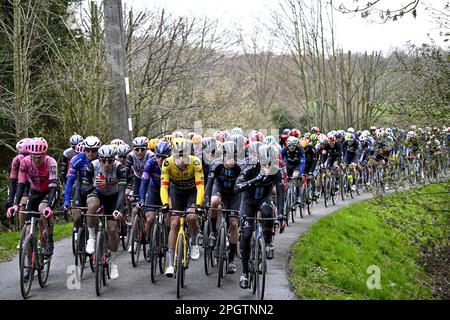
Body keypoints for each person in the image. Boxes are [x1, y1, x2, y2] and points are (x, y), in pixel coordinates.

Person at [234, 144, 286, 289]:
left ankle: (268, 242)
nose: (267, 166)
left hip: (264, 199)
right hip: (248, 201)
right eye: (264, 163)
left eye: (270, 162)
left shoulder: (276, 169)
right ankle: (244, 272)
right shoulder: (249, 167)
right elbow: (237, 188)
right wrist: (257, 179)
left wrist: (281, 214)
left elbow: (281, 193)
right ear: (258, 159)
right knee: (246, 234)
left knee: (268, 213)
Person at [81, 145, 127, 280]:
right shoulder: (92, 166)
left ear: (114, 160)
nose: (107, 164)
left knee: (112, 230)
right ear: (99, 159)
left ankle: (113, 262)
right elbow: (84, 188)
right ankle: (92, 237)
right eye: (103, 161)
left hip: (113, 197)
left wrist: (118, 209)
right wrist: (95, 185)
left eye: (110, 161)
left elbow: (122, 191)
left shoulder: (120, 168)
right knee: (92, 205)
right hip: (97, 193)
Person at [160, 138, 205, 277]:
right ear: (173, 155)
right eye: (179, 155)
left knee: (192, 217)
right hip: (176, 192)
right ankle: (170, 264)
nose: (183, 158)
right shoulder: (167, 163)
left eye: (185, 154)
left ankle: (194, 242)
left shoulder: (196, 162)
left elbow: (200, 187)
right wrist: (165, 204)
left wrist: (198, 205)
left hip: (192, 192)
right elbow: (164, 187)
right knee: (174, 223)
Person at [8, 137, 58, 258]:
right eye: (33, 156)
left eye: (39, 157)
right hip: (34, 191)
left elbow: (53, 187)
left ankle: (49, 239)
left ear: (45, 155)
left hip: (49, 191)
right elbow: (20, 185)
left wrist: (49, 207)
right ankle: (29, 263)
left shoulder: (51, 162)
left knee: (43, 209)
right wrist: (14, 204)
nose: (36, 159)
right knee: (29, 228)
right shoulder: (24, 162)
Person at [205, 141, 243, 274]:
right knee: (214, 201)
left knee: (233, 223)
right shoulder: (216, 165)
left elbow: (243, 189)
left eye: (234, 156)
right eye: (228, 156)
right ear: (223, 155)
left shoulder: (240, 167)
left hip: (234, 193)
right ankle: (214, 233)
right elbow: (209, 185)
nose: (230, 159)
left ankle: (232, 260)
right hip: (219, 188)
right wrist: (205, 203)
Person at [62, 136, 101, 239]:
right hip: (81, 185)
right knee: (77, 216)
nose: (90, 153)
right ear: (84, 149)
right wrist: (66, 200)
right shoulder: (77, 160)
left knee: (93, 215)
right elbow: (70, 182)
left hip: (97, 186)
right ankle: (78, 232)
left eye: (94, 150)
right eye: (88, 150)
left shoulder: (103, 160)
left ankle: (98, 239)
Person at [138, 141, 171, 238]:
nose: (160, 160)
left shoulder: (173, 164)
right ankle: (148, 242)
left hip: (168, 192)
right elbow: (143, 183)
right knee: (150, 218)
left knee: (169, 219)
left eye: (163, 157)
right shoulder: (150, 163)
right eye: (158, 156)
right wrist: (142, 199)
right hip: (154, 191)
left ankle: (169, 240)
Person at [6, 138, 32, 236]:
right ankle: (23, 232)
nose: (25, 157)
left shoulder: (38, 158)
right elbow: (12, 181)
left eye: (27, 154)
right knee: (22, 204)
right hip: (24, 184)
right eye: (22, 154)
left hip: (38, 183)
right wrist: (11, 201)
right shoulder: (17, 160)